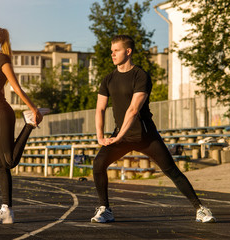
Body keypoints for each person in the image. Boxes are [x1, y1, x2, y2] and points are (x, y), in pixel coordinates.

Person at [91, 35, 216, 224]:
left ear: (128, 51)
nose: (112, 54)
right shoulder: (108, 79)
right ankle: (105, 209)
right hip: (121, 135)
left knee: (171, 170)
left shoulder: (140, 76)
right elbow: (100, 108)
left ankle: (200, 208)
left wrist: (118, 137)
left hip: (145, 135)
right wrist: (101, 136)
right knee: (98, 165)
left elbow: (133, 110)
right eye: (111, 51)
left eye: (116, 50)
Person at [0, 24, 49, 224]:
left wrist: (33, 109)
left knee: (9, 161)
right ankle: (6, 210)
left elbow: (16, 87)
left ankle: (29, 125)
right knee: (0, 164)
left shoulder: (2, 59)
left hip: (2, 113)